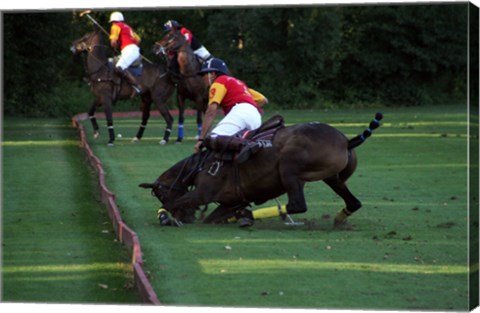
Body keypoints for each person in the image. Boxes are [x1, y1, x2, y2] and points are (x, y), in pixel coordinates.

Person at [194, 58, 269, 163]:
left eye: (204, 74)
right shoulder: (238, 83)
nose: (202, 78)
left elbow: (211, 111)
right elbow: (263, 99)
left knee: (214, 139)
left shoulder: (219, 81)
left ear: (212, 73)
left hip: (241, 111)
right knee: (232, 142)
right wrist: (248, 107)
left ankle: (248, 145)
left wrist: (201, 139)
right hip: (255, 116)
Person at [109, 11, 142, 94]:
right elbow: (138, 40)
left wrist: (115, 46)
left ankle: (136, 85)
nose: (112, 24)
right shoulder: (127, 27)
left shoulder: (115, 26)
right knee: (112, 62)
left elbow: (113, 42)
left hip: (129, 50)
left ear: (113, 21)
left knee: (119, 67)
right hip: (131, 49)